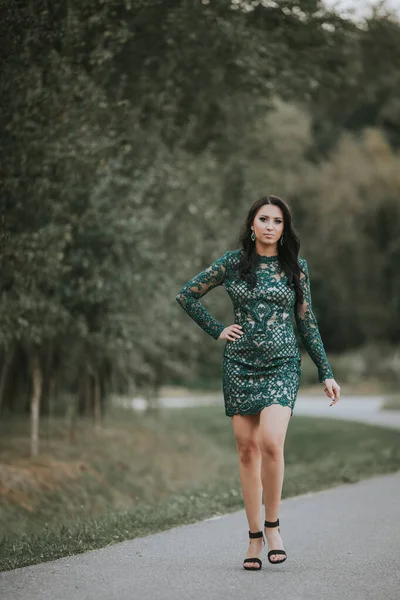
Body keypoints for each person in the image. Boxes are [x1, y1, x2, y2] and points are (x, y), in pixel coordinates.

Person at [175, 195, 341, 571]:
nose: (270, 226)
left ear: (285, 229)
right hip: (240, 366)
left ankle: (273, 526)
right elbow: (187, 295)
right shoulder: (232, 264)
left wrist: (326, 371)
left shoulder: (296, 269)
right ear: (252, 225)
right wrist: (217, 330)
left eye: (277, 221)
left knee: (270, 441)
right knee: (247, 451)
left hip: (283, 364)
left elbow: (307, 321)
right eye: (263, 219)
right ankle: (253, 539)